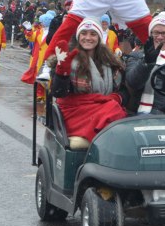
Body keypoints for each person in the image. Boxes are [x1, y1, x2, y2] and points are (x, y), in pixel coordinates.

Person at [50, 17, 127, 149]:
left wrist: (116, 97)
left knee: (114, 110)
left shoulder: (110, 61)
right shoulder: (69, 58)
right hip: (77, 113)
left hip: (101, 107)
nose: (88, 38)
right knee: (112, 111)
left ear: (99, 37)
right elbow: (59, 93)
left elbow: (123, 89)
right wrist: (62, 72)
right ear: (78, 36)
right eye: (84, 33)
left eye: (93, 34)